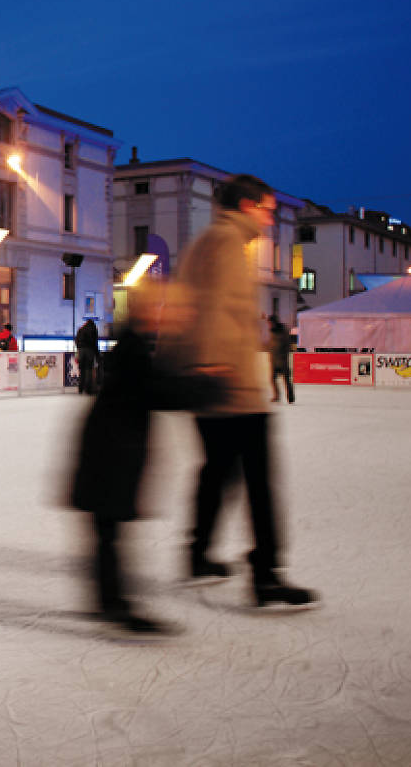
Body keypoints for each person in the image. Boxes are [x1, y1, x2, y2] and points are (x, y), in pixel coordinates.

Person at [172, 174, 318, 610]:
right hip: (229, 383)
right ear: (249, 205)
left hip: (211, 380)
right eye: (269, 209)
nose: (271, 219)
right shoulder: (226, 243)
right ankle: (267, 575)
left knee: (217, 472)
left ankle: (199, 555)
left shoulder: (212, 240)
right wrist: (217, 364)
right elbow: (216, 307)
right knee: (259, 480)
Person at [67, 280, 221, 637]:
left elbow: (152, 387)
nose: (171, 316)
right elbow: (153, 391)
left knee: (108, 533)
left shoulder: (133, 345)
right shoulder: (133, 348)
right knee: (109, 532)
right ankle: (114, 605)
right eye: (165, 309)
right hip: (111, 453)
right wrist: (206, 386)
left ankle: (110, 602)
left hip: (109, 450)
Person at [267, 316, 294, 405]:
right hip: (274, 360)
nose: (269, 325)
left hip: (282, 361)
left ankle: (290, 398)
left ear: (275, 322)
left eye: (270, 323)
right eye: (269, 323)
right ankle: (276, 396)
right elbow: (272, 345)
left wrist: (283, 356)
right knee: (272, 379)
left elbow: (287, 345)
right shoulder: (272, 332)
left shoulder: (283, 331)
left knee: (286, 380)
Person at [75, 318, 100, 395]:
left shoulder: (81, 329)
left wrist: (79, 348)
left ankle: (80, 389)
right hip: (89, 351)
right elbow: (95, 342)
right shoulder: (93, 329)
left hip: (81, 351)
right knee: (89, 370)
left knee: (82, 370)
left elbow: (76, 341)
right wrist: (97, 354)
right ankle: (88, 389)